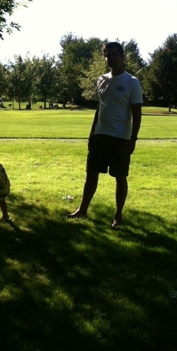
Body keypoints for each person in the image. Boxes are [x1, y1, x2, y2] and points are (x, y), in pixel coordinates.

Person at [69, 41, 143, 228]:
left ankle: (118, 216)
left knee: (120, 177)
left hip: (120, 138)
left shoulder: (132, 82)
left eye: (114, 54)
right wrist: (92, 132)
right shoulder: (101, 79)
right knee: (91, 174)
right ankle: (82, 210)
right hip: (100, 136)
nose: (111, 58)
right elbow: (100, 107)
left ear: (122, 56)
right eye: (107, 55)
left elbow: (137, 114)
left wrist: (133, 138)